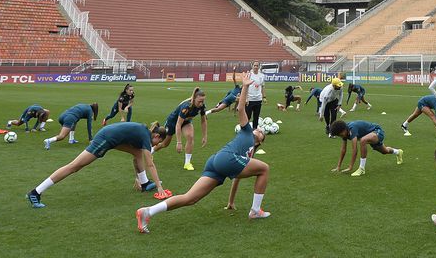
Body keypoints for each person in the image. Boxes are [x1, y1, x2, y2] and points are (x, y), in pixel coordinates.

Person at [135, 72, 271, 233]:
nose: (259, 130)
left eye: (261, 132)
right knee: (265, 168)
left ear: (260, 141)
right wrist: (245, 87)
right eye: (258, 129)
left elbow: (236, 178)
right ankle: (255, 211)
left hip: (217, 164)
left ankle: (148, 211)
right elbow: (241, 108)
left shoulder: (249, 156)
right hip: (225, 158)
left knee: (190, 198)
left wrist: (230, 202)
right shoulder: (247, 130)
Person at [27, 122, 169, 208]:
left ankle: (144, 183)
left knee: (137, 153)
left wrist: (137, 177)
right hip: (106, 139)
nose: (157, 145)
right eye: (159, 142)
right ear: (156, 136)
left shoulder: (144, 132)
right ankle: (36, 192)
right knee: (74, 166)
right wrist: (159, 186)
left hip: (111, 137)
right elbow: (150, 164)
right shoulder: (145, 136)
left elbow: (137, 158)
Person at [153, 88, 208, 171]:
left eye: (203, 101)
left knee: (190, 136)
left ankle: (187, 163)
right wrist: (179, 142)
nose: (201, 104)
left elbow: (203, 121)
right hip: (173, 122)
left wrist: (204, 136)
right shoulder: (186, 107)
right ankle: (151, 151)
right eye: (199, 101)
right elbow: (178, 124)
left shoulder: (202, 107)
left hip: (186, 122)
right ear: (194, 99)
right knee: (164, 144)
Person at [329, 120, 403, 176]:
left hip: (377, 131)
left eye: (340, 134)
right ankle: (398, 152)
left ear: (344, 130)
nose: (341, 136)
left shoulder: (352, 128)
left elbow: (355, 150)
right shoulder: (345, 133)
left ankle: (362, 168)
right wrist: (338, 167)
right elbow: (343, 150)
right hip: (369, 136)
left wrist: (350, 167)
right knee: (385, 151)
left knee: (363, 140)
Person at [245, 61, 266, 129]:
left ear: (259, 67)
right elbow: (245, 87)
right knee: (247, 116)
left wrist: (264, 97)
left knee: (256, 117)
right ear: (252, 66)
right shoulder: (249, 75)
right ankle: (246, 131)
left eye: (257, 65)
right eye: (254, 65)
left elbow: (262, 86)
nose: (256, 67)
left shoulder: (262, 76)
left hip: (258, 99)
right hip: (250, 99)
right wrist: (246, 98)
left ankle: (254, 130)